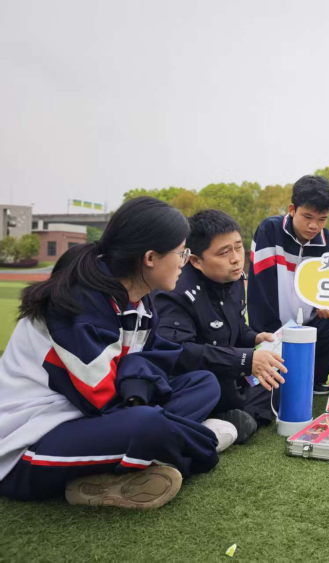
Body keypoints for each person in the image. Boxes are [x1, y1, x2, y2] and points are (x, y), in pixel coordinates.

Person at [0, 197, 237, 510]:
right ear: (150, 258)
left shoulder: (139, 298)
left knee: (203, 383)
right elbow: (102, 400)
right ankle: (186, 445)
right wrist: (185, 433)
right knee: (148, 424)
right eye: (181, 252)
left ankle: (122, 470)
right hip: (28, 447)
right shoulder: (78, 302)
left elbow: (152, 361)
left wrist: (140, 391)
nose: (184, 261)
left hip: (90, 417)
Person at [154, 210, 286, 443]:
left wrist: (255, 338)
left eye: (238, 247)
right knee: (211, 384)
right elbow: (178, 353)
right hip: (197, 380)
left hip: (229, 372)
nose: (236, 258)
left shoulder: (234, 279)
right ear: (196, 260)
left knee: (276, 370)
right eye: (224, 252)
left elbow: (235, 328)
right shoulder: (175, 291)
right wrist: (244, 360)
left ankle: (242, 418)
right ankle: (229, 418)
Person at [246, 175, 329, 394]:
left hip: (310, 324)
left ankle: (313, 380)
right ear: (292, 209)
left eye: (322, 219)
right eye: (307, 216)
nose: (314, 225)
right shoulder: (269, 230)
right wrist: (273, 336)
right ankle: (272, 373)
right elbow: (261, 288)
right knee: (265, 391)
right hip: (271, 326)